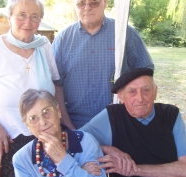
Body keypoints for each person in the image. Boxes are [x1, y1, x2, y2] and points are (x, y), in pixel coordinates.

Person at [0, 0, 59, 177]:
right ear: (10, 16)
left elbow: (56, 85)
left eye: (35, 16)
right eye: (21, 15)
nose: (28, 21)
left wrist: (61, 123)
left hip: (42, 137)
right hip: (5, 139)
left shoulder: (44, 47)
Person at [81, 68, 186, 177]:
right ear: (121, 96)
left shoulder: (171, 115)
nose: (140, 98)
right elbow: (75, 139)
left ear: (155, 92)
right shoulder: (112, 116)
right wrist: (107, 149)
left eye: (146, 90)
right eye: (132, 92)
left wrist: (135, 169)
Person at [52, 0, 154, 129]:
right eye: (81, 3)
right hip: (76, 123)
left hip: (120, 120)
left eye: (93, 2)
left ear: (105, 3)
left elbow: (145, 73)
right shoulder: (62, 40)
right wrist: (68, 127)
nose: (87, 7)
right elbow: (57, 85)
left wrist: (128, 101)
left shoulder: (125, 34)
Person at [12, 89, 107, 177]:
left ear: (58, 110)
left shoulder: (86, 142)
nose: (43, 122)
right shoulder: (22, 159)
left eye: (46, 112)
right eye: (33, 118)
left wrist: (63, 158)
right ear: (27, 126)